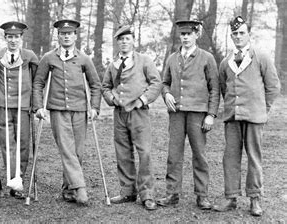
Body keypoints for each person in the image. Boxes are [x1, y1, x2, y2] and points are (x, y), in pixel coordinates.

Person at [212, 16, 280, 216]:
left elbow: (273, 87)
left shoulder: (261, 56)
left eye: (242, 32)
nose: (238, 36)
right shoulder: (226, 62)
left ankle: (255, 199)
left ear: (248, 34)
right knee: (230, 158)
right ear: (231, 36)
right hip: (233, 117)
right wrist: (233, 106)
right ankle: (230, 197)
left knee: (254, 157)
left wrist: (262, 109)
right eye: (235, 33)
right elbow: (224, 87)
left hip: (254, 117)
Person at [32, 19, 101, 205]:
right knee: (67, 149)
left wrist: (94, 107)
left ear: (75, 36)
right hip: (57, 109)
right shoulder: (49, 58)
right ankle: (80, 188)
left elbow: (95, 84)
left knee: (77, 152)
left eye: (69, 33)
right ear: (58, 36)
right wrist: (38, 106)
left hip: (79, 109)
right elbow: (38, 82)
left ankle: (68, 189)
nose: (66, 36)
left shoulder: (84, 59)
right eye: (63, 34)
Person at [156, 20, 220, 210]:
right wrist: (166, 93)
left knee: (199, 154)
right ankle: (172, 193)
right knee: (174, 154)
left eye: (188, 34)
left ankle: (202, 195)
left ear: (196, 35)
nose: (185, 38)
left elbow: (214, 89)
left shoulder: (207, 58)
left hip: (198, 114)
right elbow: (164, 82)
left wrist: (211, 115)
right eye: (182, 34)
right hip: (176, 113)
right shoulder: (172, 58)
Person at [101, 25, 161, 210]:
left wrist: (142, 100)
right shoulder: (113, 64)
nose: (124, 42)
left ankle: (147, 194)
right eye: (121, 39)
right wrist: (112, 99)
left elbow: (156, 83)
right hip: (119, 114)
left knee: (145, 153)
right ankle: (127, 191)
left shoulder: (144, 61)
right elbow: (105, 87)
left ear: (133, 40)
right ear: (117, 42)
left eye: (127, 38)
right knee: (123, 152)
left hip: (139, 113)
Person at [0, 21, 39, 199]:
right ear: (5, 38)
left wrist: (35, 103)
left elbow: (38, 80)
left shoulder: (30, 56)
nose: (13, 40)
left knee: (23, 144)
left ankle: (20, 178)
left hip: (24, 105)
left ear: (21, 38)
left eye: (16, 37)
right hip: (4, 105)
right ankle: (13, 178)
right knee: (7, 143)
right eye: (10, 37)